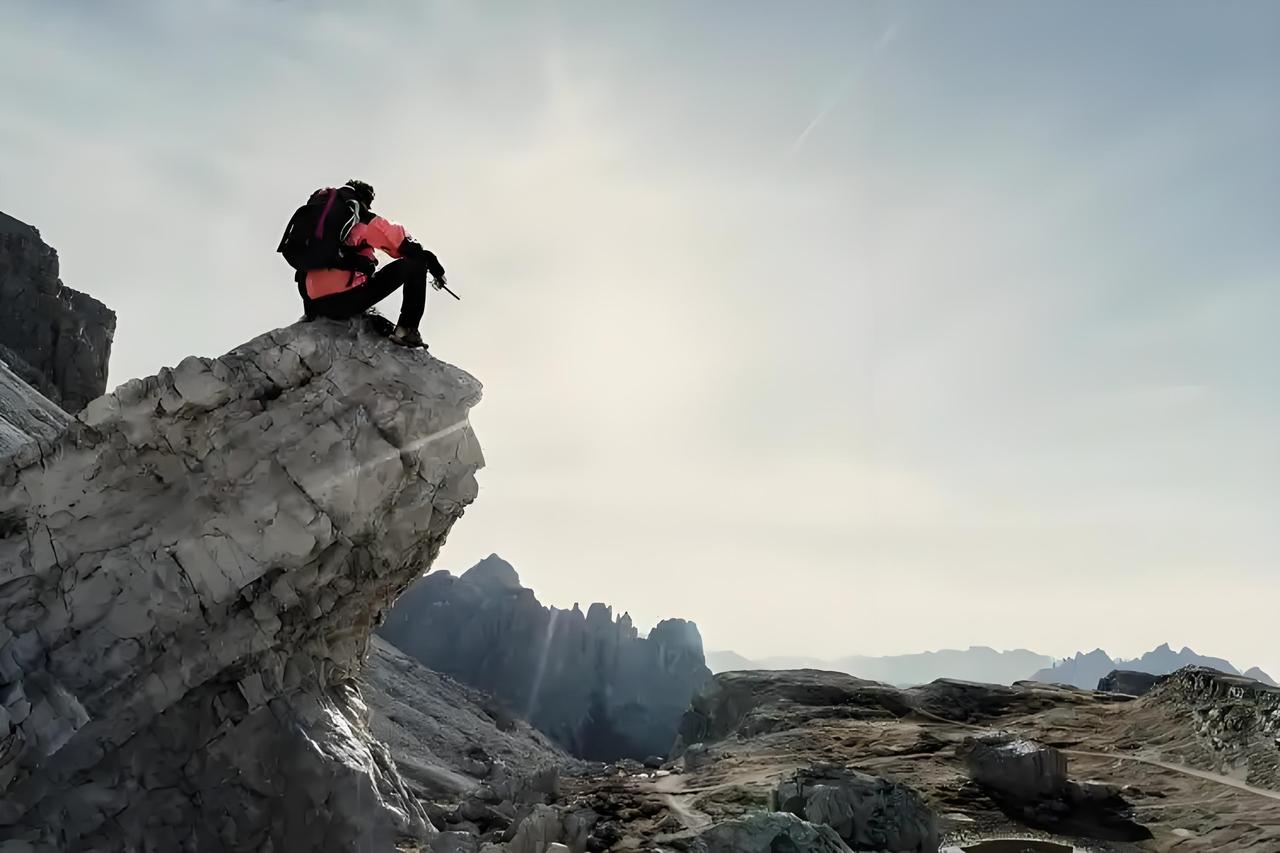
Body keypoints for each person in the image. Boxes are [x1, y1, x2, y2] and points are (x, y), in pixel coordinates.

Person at [301, 179, 446, 348]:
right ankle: (406, 330)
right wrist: (434, 265)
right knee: (416, 263)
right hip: (343, 301)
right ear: (365, 200)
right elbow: (403, 244)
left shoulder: (320, 219)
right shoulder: (360, 218)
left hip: (313, 304)